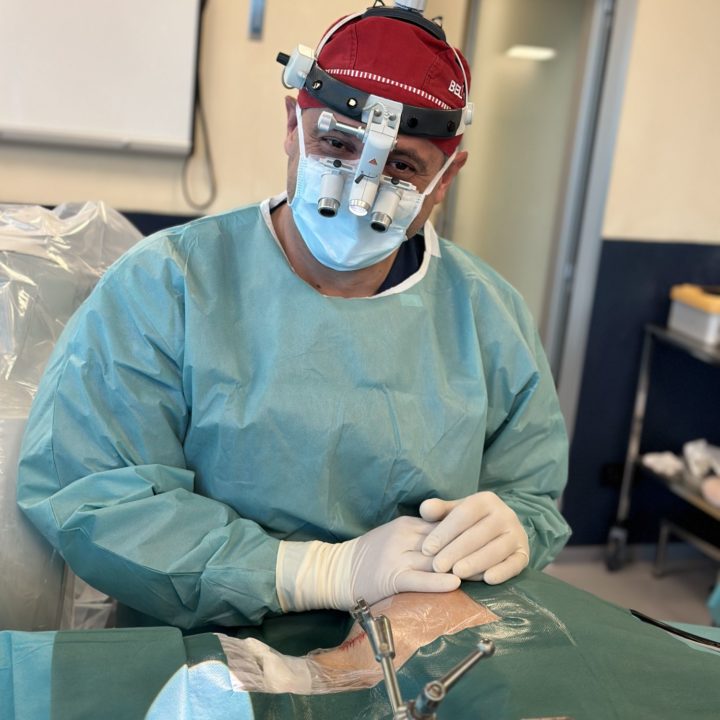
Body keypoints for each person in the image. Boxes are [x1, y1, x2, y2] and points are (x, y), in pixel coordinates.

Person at [16, 3, 571, 630]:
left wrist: (513, 526)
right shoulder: (167, 284)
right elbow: (95, 495)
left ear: (445, 178)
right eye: (336, 144)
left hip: (417, 652)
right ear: (292, 124)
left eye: (401, 166)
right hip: (201, 651)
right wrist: (315, 571)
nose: (361, 191)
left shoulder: (488, 316)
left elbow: (529, 494)